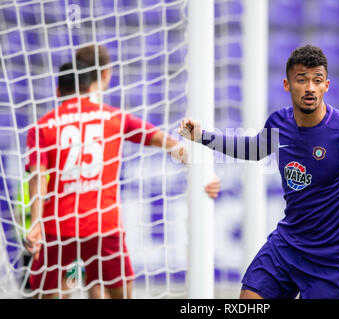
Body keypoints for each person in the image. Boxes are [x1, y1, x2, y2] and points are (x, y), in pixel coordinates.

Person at [178, 44, 339, 299]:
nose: (310, 88)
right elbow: (253, 149)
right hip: (287, 246)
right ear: (287, 84)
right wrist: (202, 136)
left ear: (327, 85)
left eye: (317, 80)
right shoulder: (278, 123)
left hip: (330, 262)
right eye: (301, 79)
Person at [24, 60, 220, 299]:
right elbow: (166, 143)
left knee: (45, 293)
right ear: (92, 87)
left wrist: (36, 225)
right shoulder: (113, 117)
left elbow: (37, 177)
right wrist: (202, 170)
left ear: (57, 92)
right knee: (121, 294)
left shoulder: (42, 126)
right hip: (103, 225)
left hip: (59, 225)